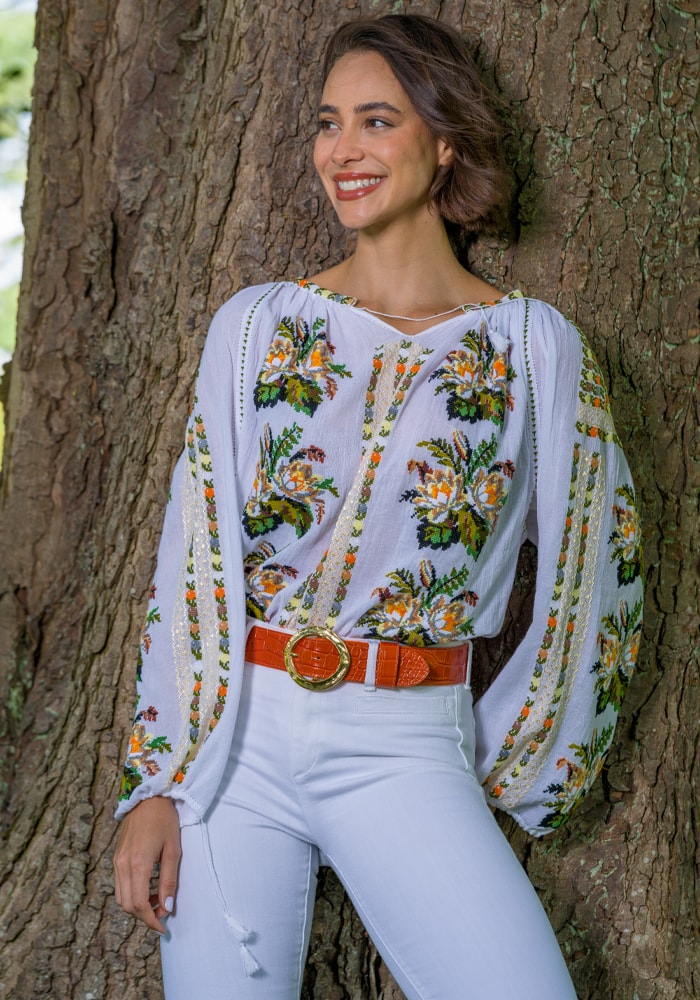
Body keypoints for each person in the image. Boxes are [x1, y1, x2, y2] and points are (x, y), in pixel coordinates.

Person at [113, 13, 643, 1000]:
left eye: (376, 121)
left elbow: (596, 566)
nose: (341, 150)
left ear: (444, 143)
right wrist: (159, 780)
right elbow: (191, 561)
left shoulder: (531, 348)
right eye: (328, 123)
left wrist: (521, 757)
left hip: (408, 741)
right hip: (234, 745)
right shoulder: (254, 328)